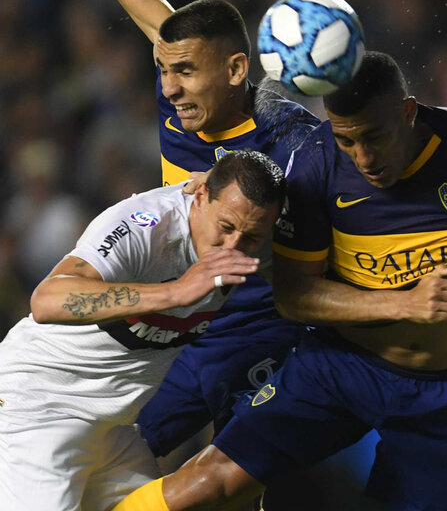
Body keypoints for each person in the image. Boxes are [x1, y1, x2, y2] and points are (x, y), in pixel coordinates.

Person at [113, 50, 447, 511]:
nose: (363, 157)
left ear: (407, 112)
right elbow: (295, 295)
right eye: (347, 141)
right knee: (212, 481)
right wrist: (401, 304)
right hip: (339, 368)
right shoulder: (315, 165)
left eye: (374, 137)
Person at [42, 0, 320, 459]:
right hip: (174, 323)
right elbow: (163, 27)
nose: (168, 88)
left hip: (251, 328)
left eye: (185, 72)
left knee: (230, 475)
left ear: (236, 71)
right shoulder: (184, 91)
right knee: (113, 458)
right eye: (164, 70)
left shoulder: (292, 141)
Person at [0, 150, 286, 511]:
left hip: (113, 430)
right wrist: (175, 291)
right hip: (41, 408)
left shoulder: (252, 237)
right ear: (200, 198)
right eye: (225, 228)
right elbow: (46, 300)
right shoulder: (144, 227)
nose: (232, 247)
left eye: (249, 237)